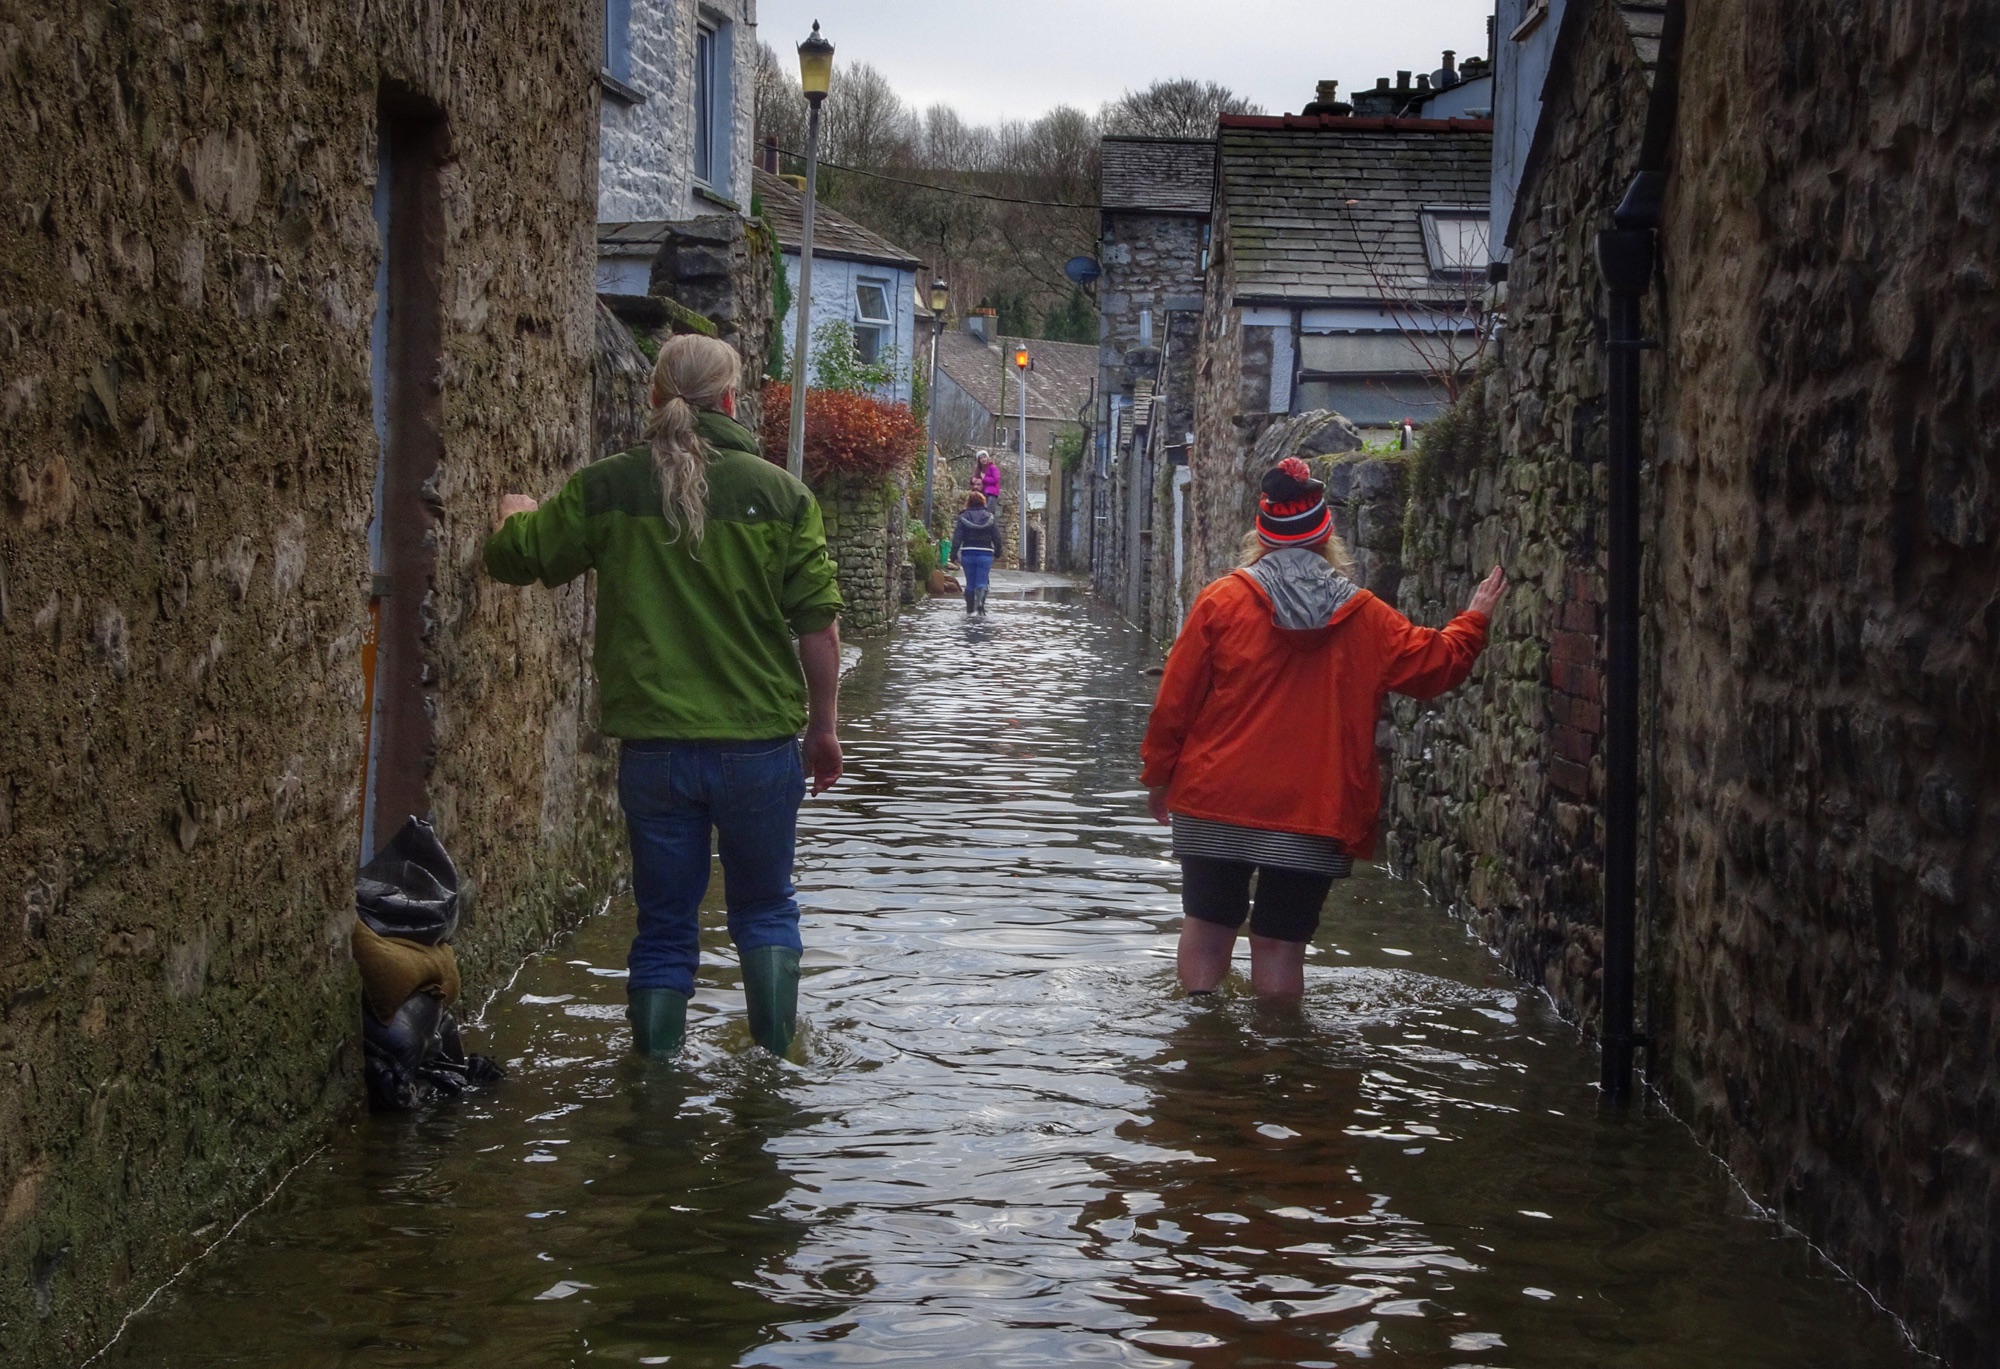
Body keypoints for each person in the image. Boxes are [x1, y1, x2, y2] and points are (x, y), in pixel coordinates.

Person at [484, 334, 845, 1059]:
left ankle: (653, 1084)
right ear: (731, 400)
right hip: (758, 750)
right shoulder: (781, 496)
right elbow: (818, 626)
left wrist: (513, 517)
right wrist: (824, 729)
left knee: (664, 928)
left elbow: (519, 559)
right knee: (766, 910)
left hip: (655, 753)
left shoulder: (609, 487)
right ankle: (777, 1065)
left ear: (655, 396)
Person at [1139, 457, 1506, 1000]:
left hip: (1215, 796)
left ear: (1261, 535)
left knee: (1208, 927)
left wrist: (1158, 777)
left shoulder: (1221, 602)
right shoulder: (1366, 616)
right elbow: (1436, 666)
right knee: (1281, 944)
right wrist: (1473, 619)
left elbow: (1174, 704)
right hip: (1317, 807)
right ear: (1326, 535)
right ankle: (1282, 1046)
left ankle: (1200, 1037)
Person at [952, 492, 1000, 615]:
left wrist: (953, 554)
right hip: (985, 553)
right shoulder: (989, 517)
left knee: (970, 583)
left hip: (968, 552)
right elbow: (997, 537)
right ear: (983, 502)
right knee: (982, 581)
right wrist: (998, 552)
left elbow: (957, 538)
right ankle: (980, 604)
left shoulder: (963, 517)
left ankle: (969, 610)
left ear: (968, 502)